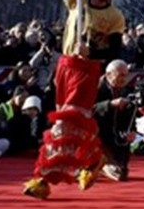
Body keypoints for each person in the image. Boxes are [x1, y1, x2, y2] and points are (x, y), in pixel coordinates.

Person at [22, 45, 105, 200]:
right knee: (57, 142)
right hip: (66, 81)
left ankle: (90, 167)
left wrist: (87, 55)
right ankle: (43, 180)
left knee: (72, 138)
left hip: (77, 103)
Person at [93, 59, 137, 181]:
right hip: (96, 135)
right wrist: (110, 105)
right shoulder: (94, 88)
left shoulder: (127, 90)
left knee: (120, 174)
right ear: (108, 74)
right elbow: (87, 111)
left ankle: (104, 164)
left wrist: (132, 131)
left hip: (116, 138)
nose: (124, 79)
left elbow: (131, 116)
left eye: (126, 75)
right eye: (121, 75)